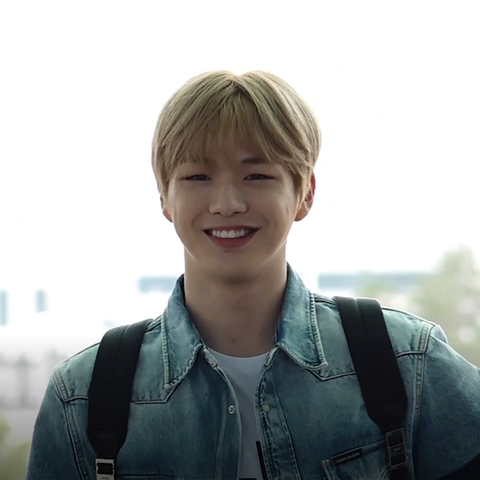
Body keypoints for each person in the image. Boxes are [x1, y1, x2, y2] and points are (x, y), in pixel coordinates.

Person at [26, 70, 480, 480]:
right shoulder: (83, 395)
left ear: (305, 193)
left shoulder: (407, 360)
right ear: (164, 197)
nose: (227, 203)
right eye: (197, 177)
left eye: (257, 175)